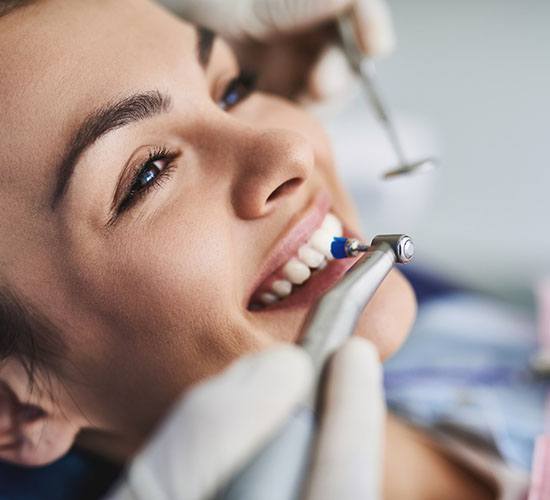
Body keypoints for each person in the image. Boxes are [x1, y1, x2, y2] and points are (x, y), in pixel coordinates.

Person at [0, 1, 546, 499]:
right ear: (13, 409)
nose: (290, 149)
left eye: (232, 89)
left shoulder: (470, 331)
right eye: (148, 174)